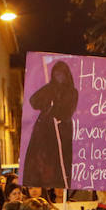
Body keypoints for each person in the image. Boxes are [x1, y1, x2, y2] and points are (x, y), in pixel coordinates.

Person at [22, 60, 78, 189]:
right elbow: (34, 101)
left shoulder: (72, 92)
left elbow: (66, 111)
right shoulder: (49, 88)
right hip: (45, 131)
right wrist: (47, 101)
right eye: (56, 74)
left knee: (60, 161)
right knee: (42, 159)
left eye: (61, 74)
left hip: (61, 131)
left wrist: (53, 108)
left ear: (66, 75)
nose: (59, 77)